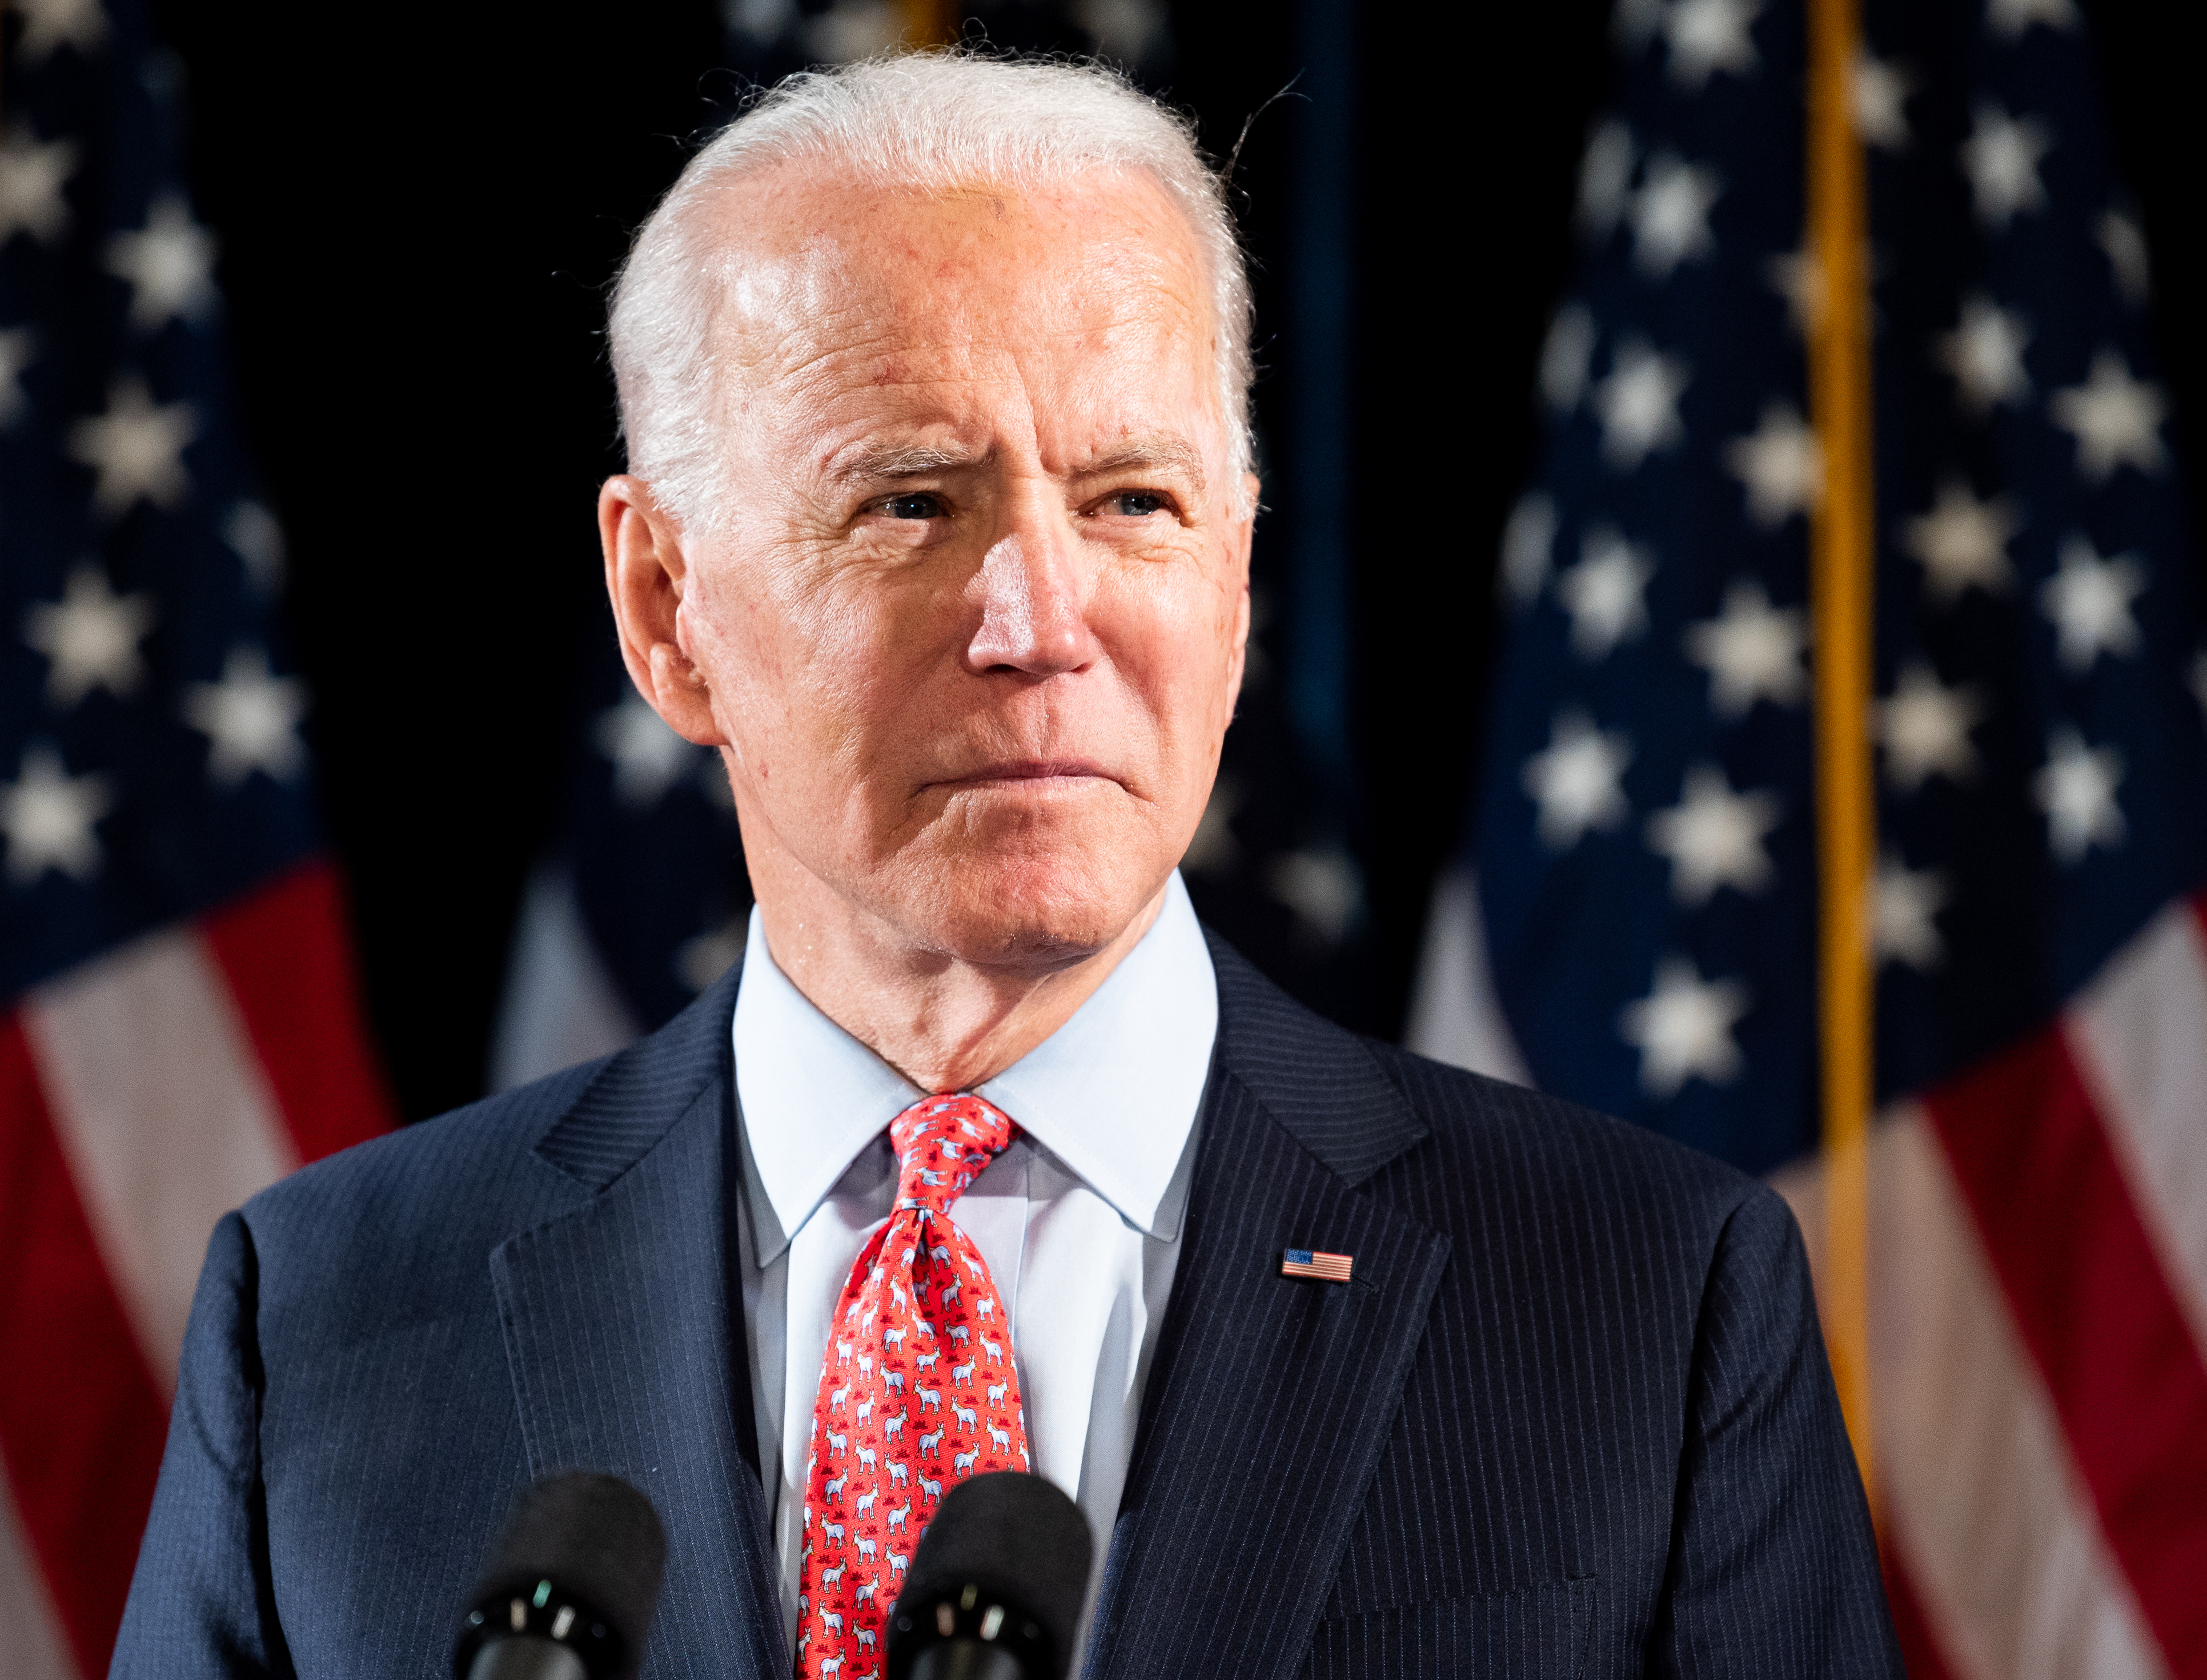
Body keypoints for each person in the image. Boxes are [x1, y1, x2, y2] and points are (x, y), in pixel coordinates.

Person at [113, 53, 1900, 1679]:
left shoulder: (1644, 1306)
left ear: (1237, 572)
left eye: (1132, 502)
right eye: (911, 504)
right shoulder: (331, 1319)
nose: (1043, 624)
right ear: (666, 608)